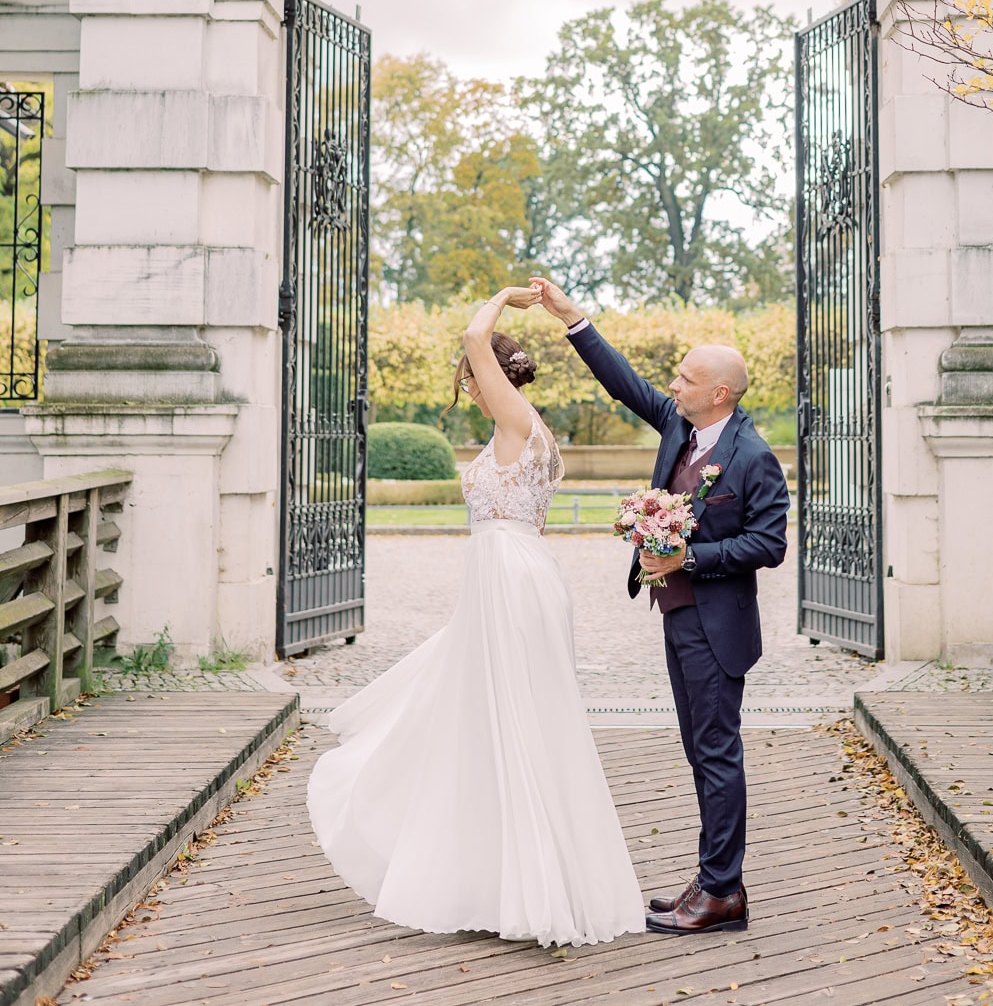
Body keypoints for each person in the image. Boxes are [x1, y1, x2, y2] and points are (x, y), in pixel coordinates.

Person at [306, 284, 645, 948]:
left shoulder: (517, 420)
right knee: (489, 716)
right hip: (515, 575)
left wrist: (502, 298)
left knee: (517, 718)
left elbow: (470, 337)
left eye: (475, 376)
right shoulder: (523, 426)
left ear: (486, 375)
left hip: (511, 578)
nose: (472, 384)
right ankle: (500, 876)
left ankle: (534, 885)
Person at [532, 276, 790, 936]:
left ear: (719, 393)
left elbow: (769, 542)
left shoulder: (753, 457)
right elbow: (625, 385)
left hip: (718, 624)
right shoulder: (681, 426)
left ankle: (724, 890)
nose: (672, 385)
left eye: (685, 377)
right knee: (697, 749)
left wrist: (690, 560)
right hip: (678, 616)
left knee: (716, 750)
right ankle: (711, 880)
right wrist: (573, 317)